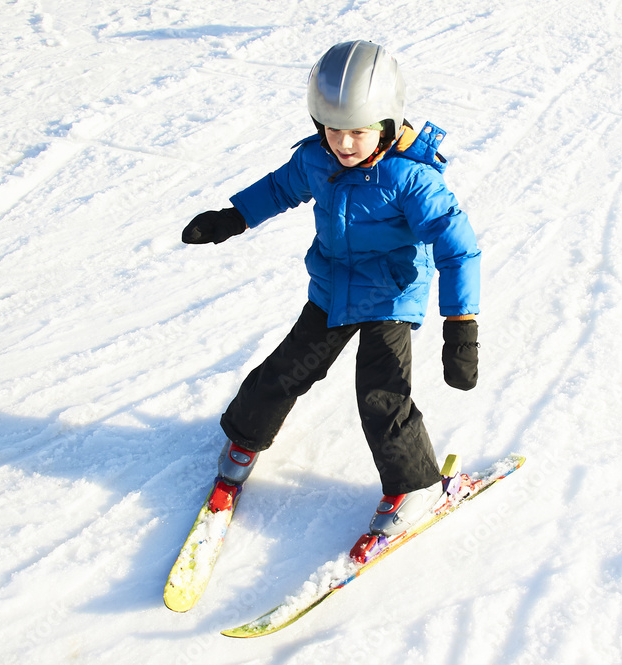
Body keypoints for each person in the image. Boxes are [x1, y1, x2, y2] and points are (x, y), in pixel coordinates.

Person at [181, 40, 481, 539]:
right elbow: (279, 188)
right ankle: (244, 439)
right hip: (332, 290)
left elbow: (458, 248)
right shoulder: (317, 160)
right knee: (285, 370)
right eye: (333, 130)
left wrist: (462, 326)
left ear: (386, 125)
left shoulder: (412, 180)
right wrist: (233, 217)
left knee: (381, 396)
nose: (343, 144)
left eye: (358, 132)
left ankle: (416, 486)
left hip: (389, 297)